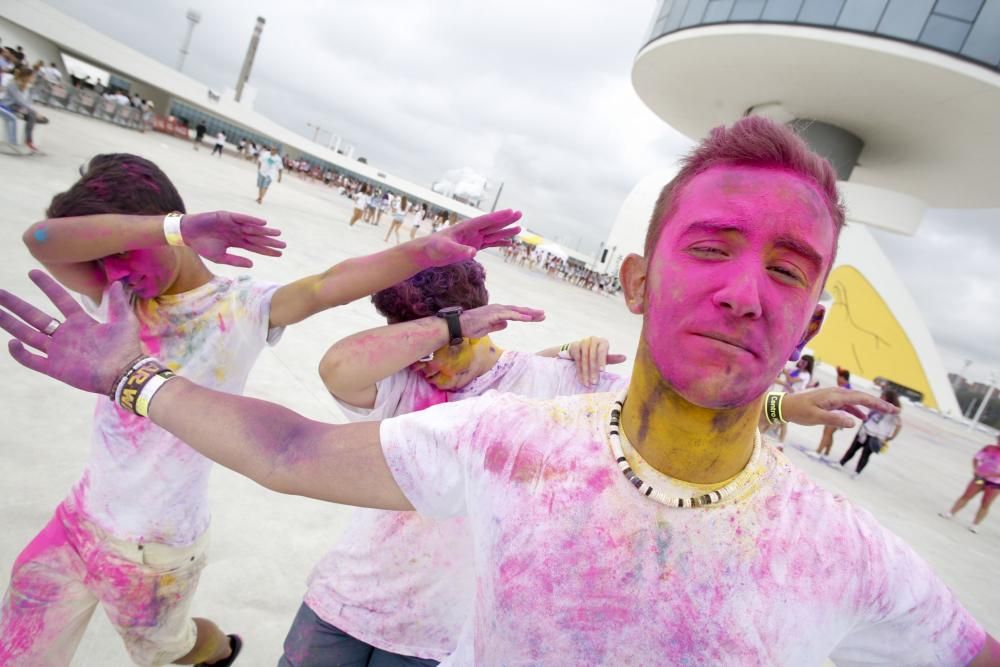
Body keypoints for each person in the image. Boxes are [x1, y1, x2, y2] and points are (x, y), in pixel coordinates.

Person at [3, 118, 998, 665]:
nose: (745, 291)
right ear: (638, 282)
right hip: (334, 610)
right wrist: (129, 376)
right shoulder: (512, 438)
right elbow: (298, 445)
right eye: (710, 245)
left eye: (788, 268)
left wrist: (782, 408)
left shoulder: (847, 553)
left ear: (811, 323)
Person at [0, 153, 523, 666]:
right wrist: (173, 230)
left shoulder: (241, 306)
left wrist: (421, 252)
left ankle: (212, 651)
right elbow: (40, 240)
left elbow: (325, 286)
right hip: (77, 519)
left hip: (155, 550)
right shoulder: (120, 299)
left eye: (126, 250)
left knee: (167, 650)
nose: (114, 270)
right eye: (106, 254)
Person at [282, 259, 891, 666]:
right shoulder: (405, 384)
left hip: (431, 632)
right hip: (340, 601)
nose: (434, 363)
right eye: (423, 346)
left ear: (490, 328)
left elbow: (672, 410)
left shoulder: (552, 383)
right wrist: (444, 329)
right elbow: (338, 368)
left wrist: (785, 404)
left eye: (451, 348)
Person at [939, 434, 1000, 533]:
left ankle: (975, 524)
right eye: (999, 439)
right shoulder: (989, 448)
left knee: (986, 503)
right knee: (967, 495)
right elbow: (976, 458)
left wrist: (992, 475)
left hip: (995, 483)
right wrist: (976, 469)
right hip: (980, 477)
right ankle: (951, 513)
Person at [839, 389, 903, 478]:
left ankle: (857, 472)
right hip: (865, 430)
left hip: (876, 436)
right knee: (853, 448)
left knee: (865, 454)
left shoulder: (893, 411)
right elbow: (867, 417)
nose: (881, 397)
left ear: (889, 399)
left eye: (883, 396)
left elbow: (899, 425)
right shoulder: (877, 405)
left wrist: (892, 437)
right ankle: (841, 463)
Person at [0, 66, 47, 151]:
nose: (33, 78)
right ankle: (25, 141)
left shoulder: (26, 86)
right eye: (32, 76)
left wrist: (30, 110)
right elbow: (20, 101)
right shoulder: (13, 84)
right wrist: (34, 112)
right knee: (32, 114)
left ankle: (28, 140)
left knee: (40, 118)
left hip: (18, 107)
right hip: (8, 106)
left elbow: (27, 102)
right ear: (27, 76)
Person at [814, 366, 851, 458]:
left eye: (838, 378)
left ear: (843, 378)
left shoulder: (846, 389)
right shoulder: (845, 387)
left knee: (827, 432)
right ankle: (827, 452)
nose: (837, 380)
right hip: (838, 414)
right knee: (829, 433)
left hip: (839, 414)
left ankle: (818, 451)